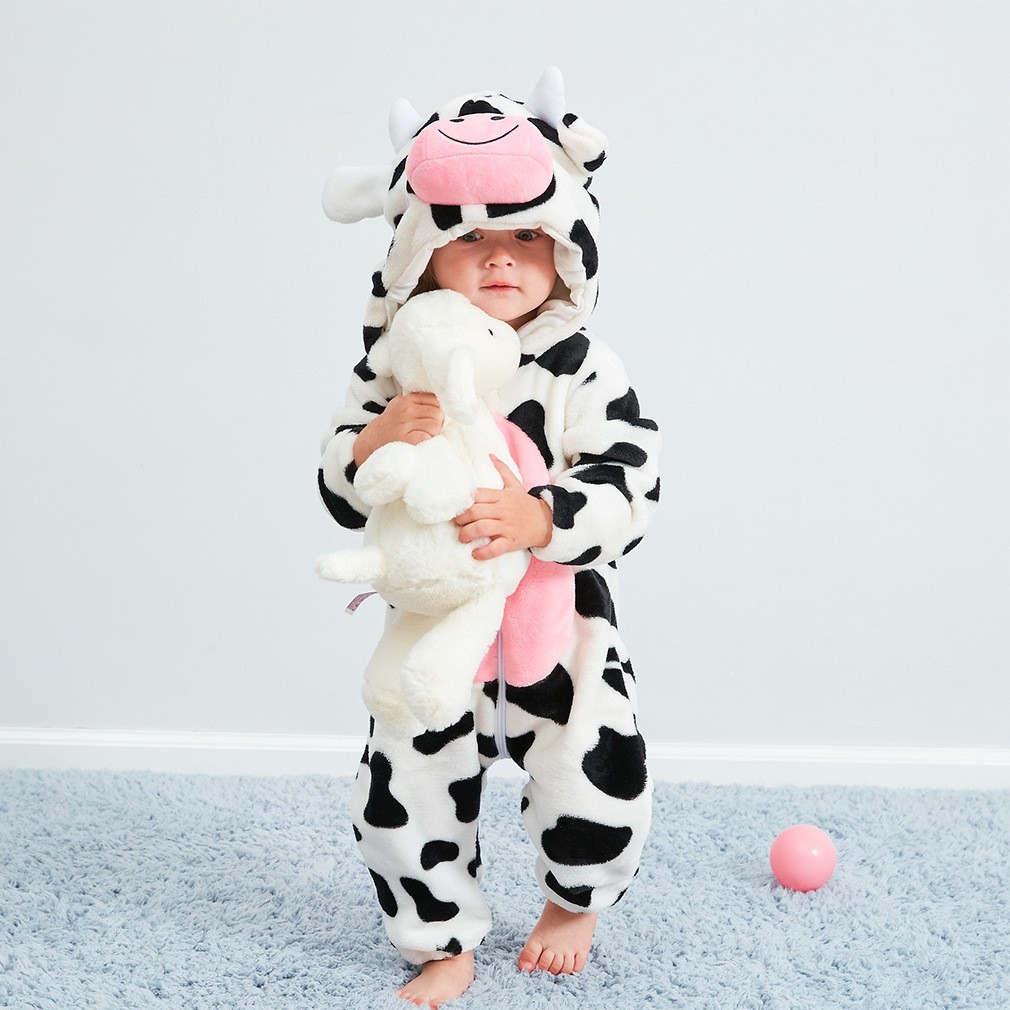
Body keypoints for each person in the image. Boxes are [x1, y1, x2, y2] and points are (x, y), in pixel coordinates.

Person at [318, 69, 660, 1008]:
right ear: (421, 255)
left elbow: (634, 472)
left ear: (568, 248)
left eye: (525, 237)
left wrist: (545, 516)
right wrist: (372, 443)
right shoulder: (395, 367)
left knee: (594, 764)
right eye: (469, 238)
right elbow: (339, 481)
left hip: (561, 618)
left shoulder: (582, 365)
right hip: (431, 620)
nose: (500, 258)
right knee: (405, 780)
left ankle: (573, 901)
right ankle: (440, 937)